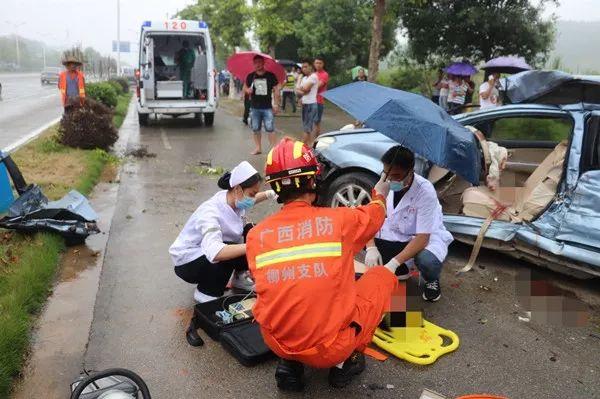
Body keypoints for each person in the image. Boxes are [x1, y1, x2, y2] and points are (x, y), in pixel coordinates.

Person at [246, 138, 400, 392]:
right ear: (313, 180)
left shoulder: (256, 236)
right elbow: (375, 216)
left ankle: (289, 364)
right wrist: (380, 194)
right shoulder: (339, 221)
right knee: (383, 277)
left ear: (275, 188)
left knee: (289, 296)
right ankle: (344, 363)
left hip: (275, 340)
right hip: (327, 350)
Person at [170, 161, 277, 303]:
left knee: (253, 231)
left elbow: (253, 199)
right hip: (188, 262)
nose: (252, 198)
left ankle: (239, 278)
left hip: (209, 250)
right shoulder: (210, 212)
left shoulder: (235, 199)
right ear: (238, 189)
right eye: (252, 193)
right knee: (234, 248)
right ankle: (206, 293)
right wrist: (253, 245)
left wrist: (271, 193)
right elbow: (215, 251)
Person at [364, 146, 453, 302]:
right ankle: (401, 266)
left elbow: (423, 238)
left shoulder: (425, 192)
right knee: (380, 268)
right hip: (395, 232)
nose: (390, 180)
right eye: (387, 174)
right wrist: (371, 247)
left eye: (397, 175)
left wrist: (393, 263)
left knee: (427, 261)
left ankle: (432, 280)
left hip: (422, 237)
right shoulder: (383, 182)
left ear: (410, 171)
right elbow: (370, 217)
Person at [243, 55, 281, 155]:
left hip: (267, 107)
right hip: (254, 107)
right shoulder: (251, 76)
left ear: (263, 63)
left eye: (259, 62)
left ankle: (274, 150)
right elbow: (245, 88)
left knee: (270, 128)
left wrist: (276, 104)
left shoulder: (270, 75)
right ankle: (258, 148)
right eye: (255, 63)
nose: (257, 64)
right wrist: (248, 90)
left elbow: (277, 89)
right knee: (255, 128)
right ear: (253, 64)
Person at [295, 60, 319, 146]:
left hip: (311, 104)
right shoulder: (304, 78)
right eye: (302, 67)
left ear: (311, 67)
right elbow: (298, 92)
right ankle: (308, 147)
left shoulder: (313, 77)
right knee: (306, 127)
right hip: (305, 104)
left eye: (306, 67)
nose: (303, 69)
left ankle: (300, 147)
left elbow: (305, 89)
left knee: (307, 128)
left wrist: (300, 89)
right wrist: (299, 81)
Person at [313, 57, 329, 137]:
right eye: (316, 63)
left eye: (320, 63)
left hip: (318, 101)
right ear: (314, 64)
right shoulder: (313, 74)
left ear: (323, 64)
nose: (318, 65)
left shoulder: (325, 74)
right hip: (310, 101)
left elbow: (317, 87)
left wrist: (307, 86)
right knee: (309, 122)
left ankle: (315, 141)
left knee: (317, 122)